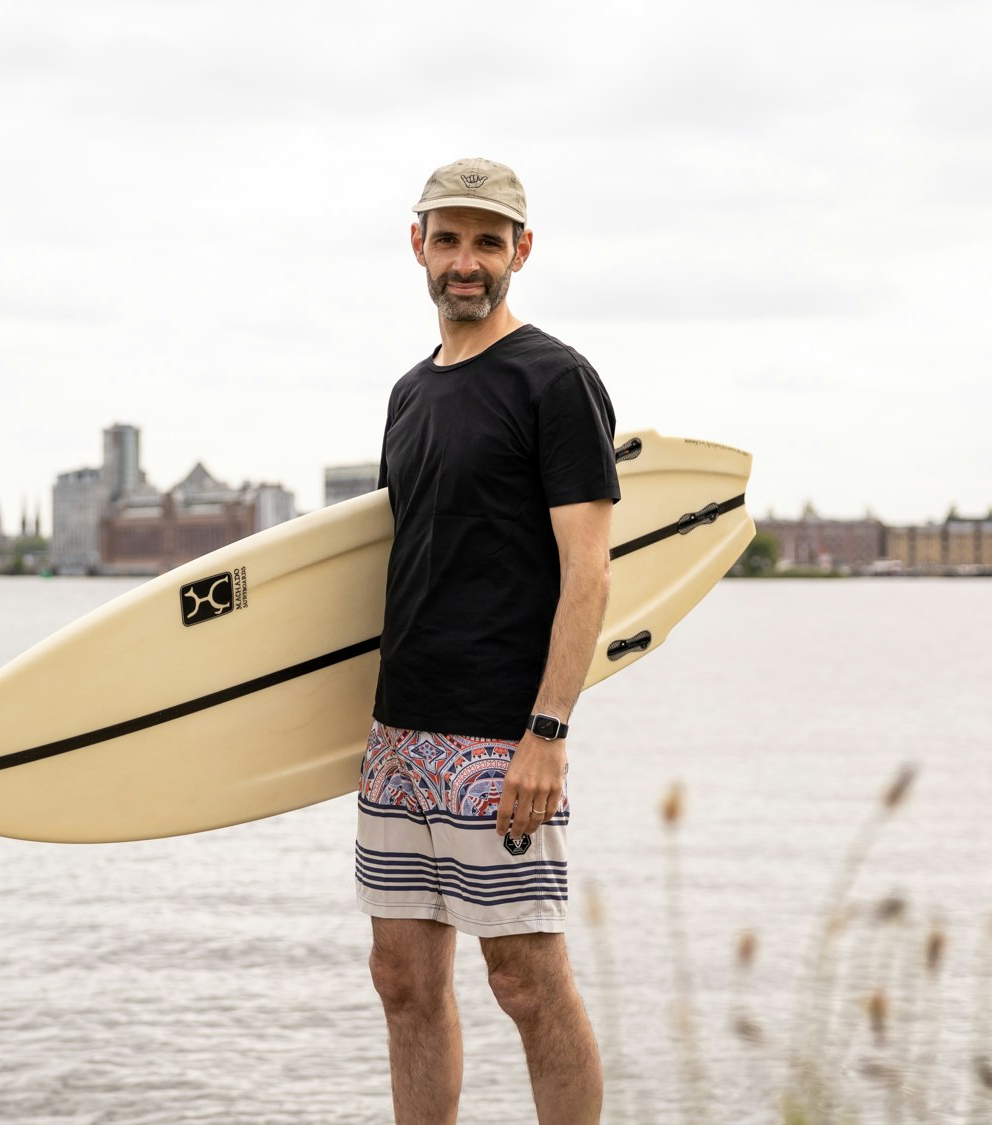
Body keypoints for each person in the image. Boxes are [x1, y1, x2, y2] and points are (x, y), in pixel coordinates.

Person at [359, 157, 619, 1125]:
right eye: (449, 238)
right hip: (396, 736)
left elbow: (587, 572)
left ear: (520, 251)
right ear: (417, 244)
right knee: (399, 979)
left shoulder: (554, 381)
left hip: (496, 740)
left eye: (486, 241)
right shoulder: (407, 394)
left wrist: (545, 732)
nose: (464, 262)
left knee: (523, 979)